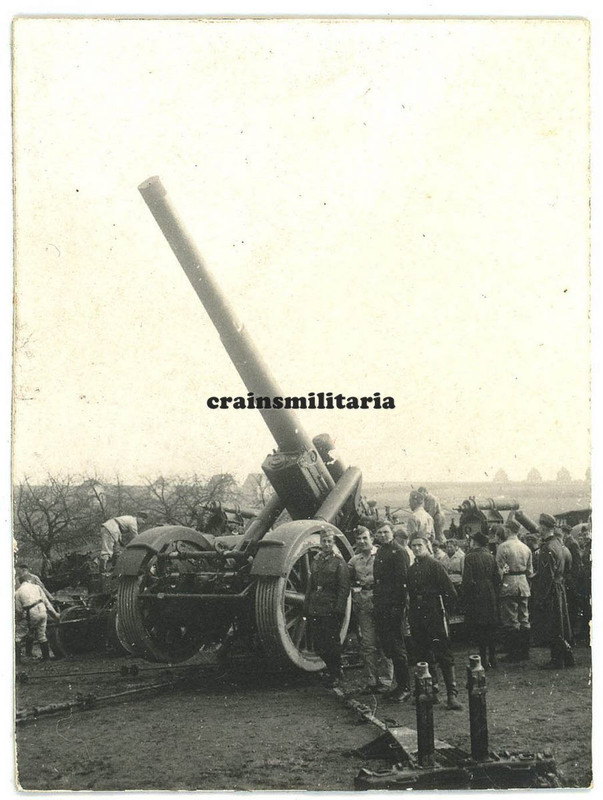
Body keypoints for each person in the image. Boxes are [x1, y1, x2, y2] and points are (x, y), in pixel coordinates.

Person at [407, 531, 462, 710]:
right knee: (422, 653)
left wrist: (445, 614)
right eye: (413, 546)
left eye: (419, 545)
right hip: (417, 614)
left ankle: (452, 695)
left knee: (443, 654)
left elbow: (450, 592)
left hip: (434, 613)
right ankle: (429, 692)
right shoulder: (412, 569)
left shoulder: (435, 565)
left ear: (427, 546)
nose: (416, 548)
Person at [348, 527, 393, 692]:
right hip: (364, 602)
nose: (361, 542)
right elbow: (346, 577)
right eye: (358, 539)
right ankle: (371, 680)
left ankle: (386, 681)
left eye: (364, 538)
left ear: (372, 539)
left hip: (381, 600)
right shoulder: (354, 561)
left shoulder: (382, 555)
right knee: (367, 643)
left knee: (384, 641)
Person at [305, 528, 351, 687]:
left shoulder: (339, 563)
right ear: (320, 542)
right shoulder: (316, 560)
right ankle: (333, 670)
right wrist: (307, 607)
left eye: (329, 541)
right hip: (316, 608)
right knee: (318, 645)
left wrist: (339, 610)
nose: (326, 544)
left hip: (330, 609)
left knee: (332, 644)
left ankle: (336, 674)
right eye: (324, 541)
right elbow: (310, 587)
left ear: (333, 543)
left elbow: (344, 589)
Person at [373, 520, 411, 701]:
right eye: (379, 533)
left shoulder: (399, 552)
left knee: (397, 647)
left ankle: (405, 686)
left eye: (385, 532)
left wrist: (399, 608)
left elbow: (403, 583)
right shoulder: (381, 551)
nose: (382, 536)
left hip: (394, 607)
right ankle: (398, 685)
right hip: (382, 606)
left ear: (392, 533)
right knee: (389, 646)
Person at [532, 513, 574, 668]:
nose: (538, 529)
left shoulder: (547, 548)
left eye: (540, 527)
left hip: (551, 591)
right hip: (560, 587)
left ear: (543, 527)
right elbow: (568, 565)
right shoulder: (559, 544)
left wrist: (540, 598)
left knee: (553, 624)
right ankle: (567, 657)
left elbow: (546, 577)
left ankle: (557, 660)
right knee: (561, 624)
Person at [495, 518, 534, 662]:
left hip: (508, 583)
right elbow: (530, 571)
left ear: (508, 530)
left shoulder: (503, 547)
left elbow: (500, 570)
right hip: (523, 584)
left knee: (511, 619)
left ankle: (513, 653)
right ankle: (524, 652)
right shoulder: (526, 547)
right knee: (524, 617)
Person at [462, 531, 501, 669]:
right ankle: (493, 657)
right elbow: (497, 577)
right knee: (490, 625)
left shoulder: (469, 557)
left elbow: (467, 580)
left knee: (480, 627)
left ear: (475, 542)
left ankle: (483, 659)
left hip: (476, 594)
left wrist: (467, 597)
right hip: (489, 593)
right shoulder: (491, 556)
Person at [15, 574, 60, 663]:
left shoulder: (18, 592)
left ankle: (17, 661)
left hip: (31, 613)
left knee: (17, 636)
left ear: (21, 582)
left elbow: (18, 610)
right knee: (41, 635)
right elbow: (46, 602)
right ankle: (46, 658)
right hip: (42, 611)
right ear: (29, 580)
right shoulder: (36, 587)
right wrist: (55, 614)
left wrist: (19, 620)